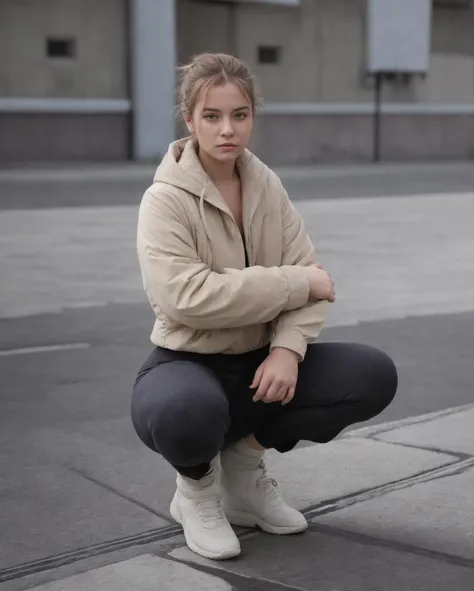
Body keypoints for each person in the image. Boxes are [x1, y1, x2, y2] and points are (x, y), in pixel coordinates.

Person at [131, 52, 398, 561]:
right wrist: (291, 282)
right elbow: (185, 297)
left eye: (240, 114)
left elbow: (315, 283)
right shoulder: (164, 200)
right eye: (211, 116)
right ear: (189, 120)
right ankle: (197, 492)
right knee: (184, 413)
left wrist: (288, 350)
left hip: (262, 362)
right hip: (188, 362)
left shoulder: (267, 186)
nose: (227, 129)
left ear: (252, 115)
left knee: (371, 375)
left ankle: (242, 473)